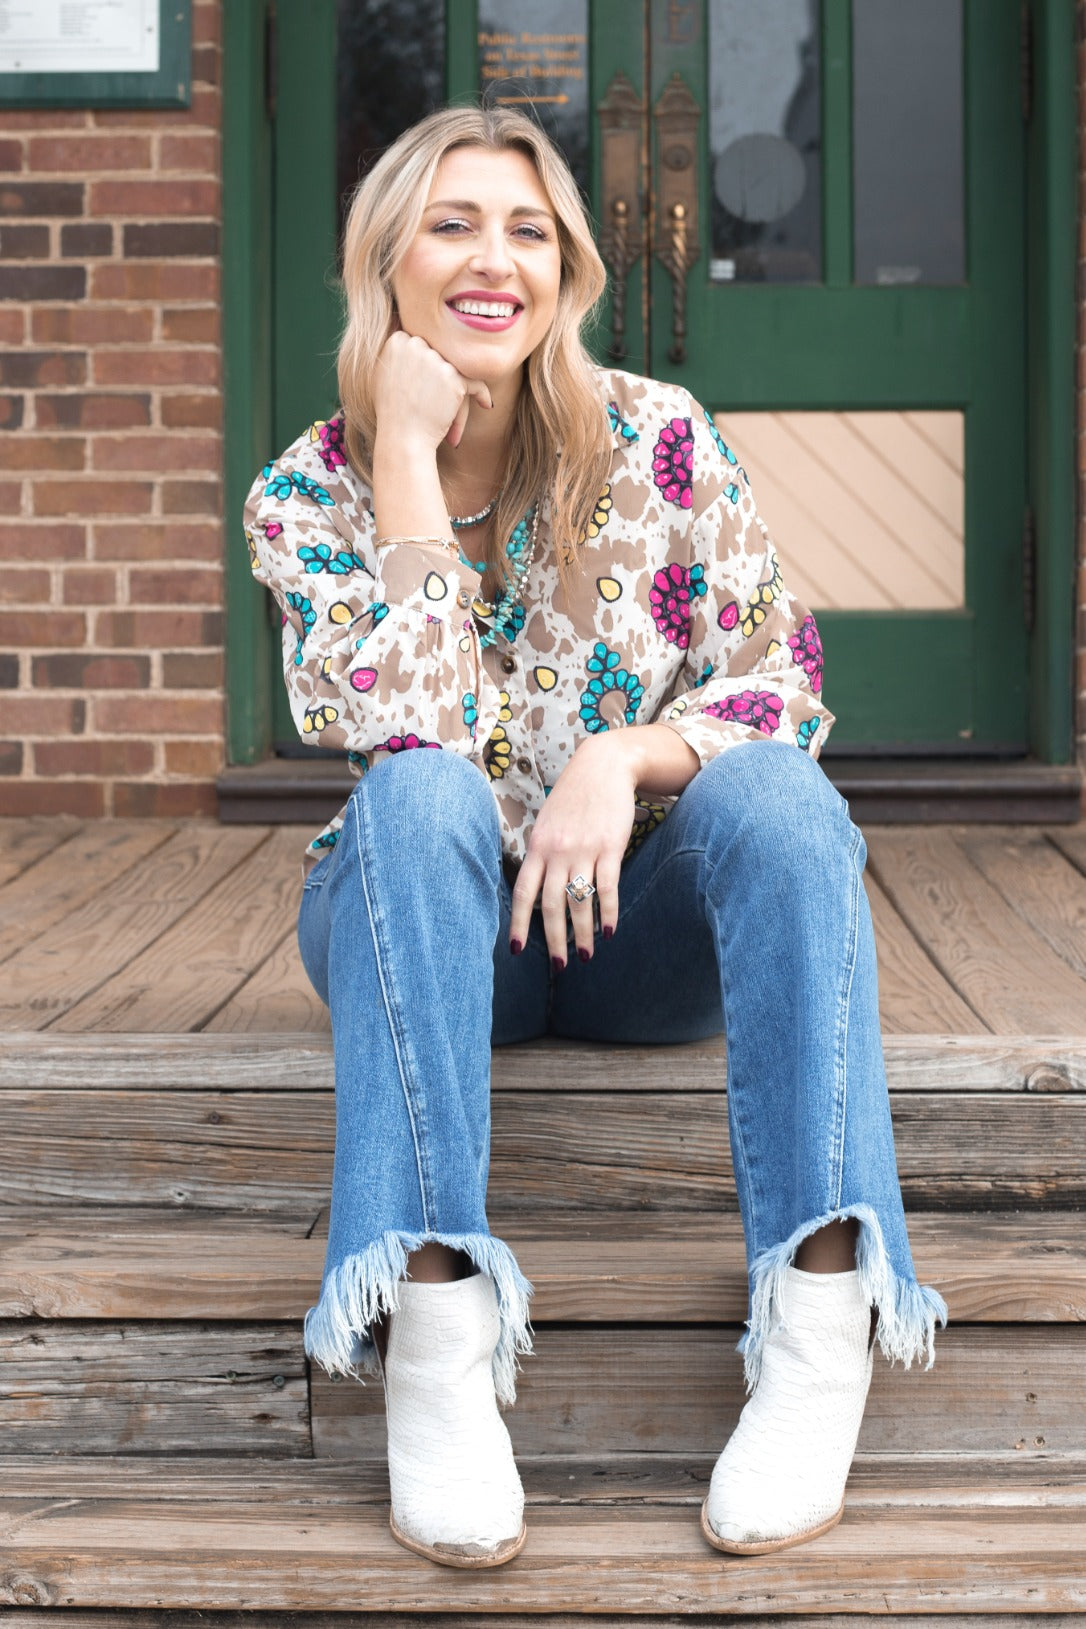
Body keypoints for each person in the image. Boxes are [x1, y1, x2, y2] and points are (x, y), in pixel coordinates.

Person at [244, 104, 946, 1570]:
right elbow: (403, 728)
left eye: (527, 229)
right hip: (427, 924)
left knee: (779, 796)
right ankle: (438, 1334)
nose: (492, 259)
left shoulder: (659, 440)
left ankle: (816, 1323)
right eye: (450, 224)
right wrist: (410, 463)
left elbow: (782, 678)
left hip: (637, 928)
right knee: (422, 795)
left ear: (566, 272)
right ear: (387, 264)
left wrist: (625, 758)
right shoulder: (307, 494)